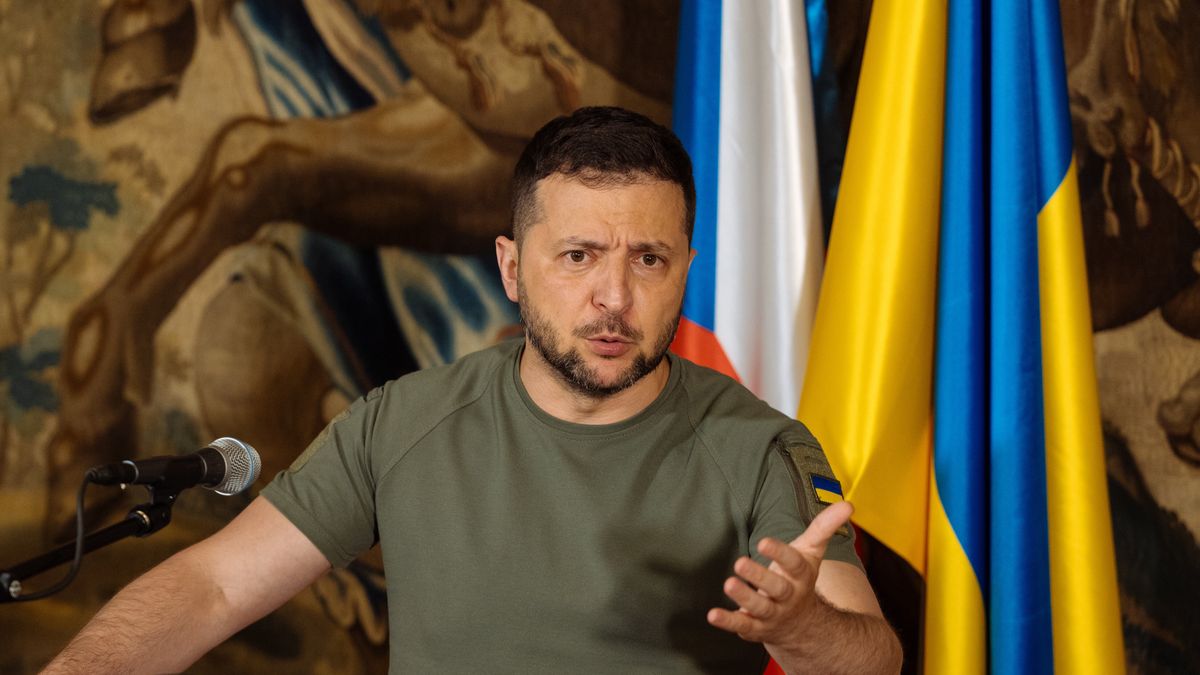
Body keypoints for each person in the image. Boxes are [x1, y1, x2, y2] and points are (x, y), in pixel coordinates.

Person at [43, 106, 902, 674]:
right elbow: (214, 588)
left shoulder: (759, 446)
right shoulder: (399, 422)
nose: (615, 297)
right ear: (512, 268)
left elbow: (874, 658)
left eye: (650, 259)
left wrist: (801, 627)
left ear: (685, 270)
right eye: (578, 256)